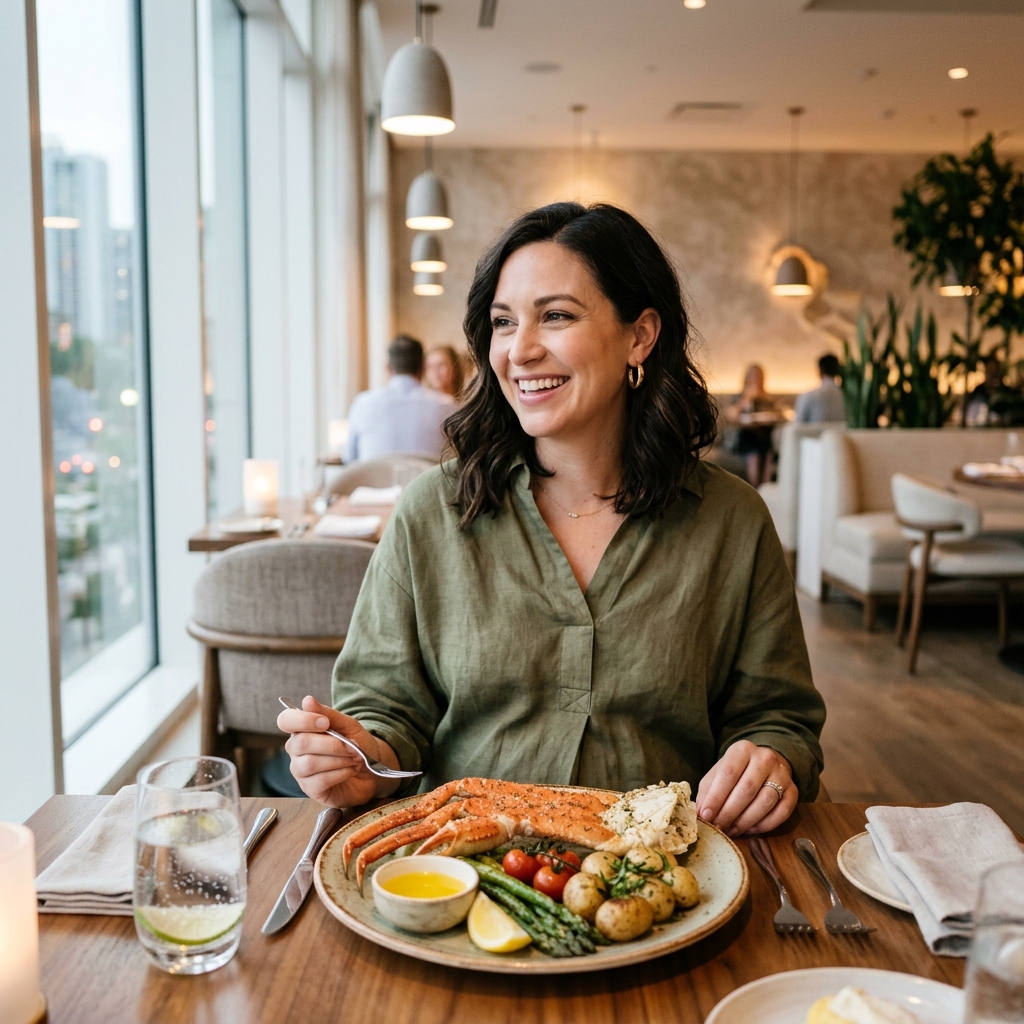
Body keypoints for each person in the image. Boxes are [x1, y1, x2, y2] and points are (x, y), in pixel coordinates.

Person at [280, 202, 825, 840]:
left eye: (557, 316)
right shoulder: (433, 511)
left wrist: (771, 759)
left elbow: (779, 717)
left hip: (665, 879)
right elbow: (386, 707)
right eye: (503, 322)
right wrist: (362, 760)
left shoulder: (732, 522)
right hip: (467, 877)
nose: (521, 349)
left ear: (639, 336)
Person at [342, 336, 450, 462]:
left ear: (387, 367)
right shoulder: (447, 406)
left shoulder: (362, 403)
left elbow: (349, 458)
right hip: (429, 481)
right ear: (423, 367)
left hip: (375, 481)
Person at [723, 364, 782, 487]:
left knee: (769, 454)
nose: (756, 379)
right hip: (746, 439)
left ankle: (764, 493)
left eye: (759, 376)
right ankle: (755, 491)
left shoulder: (768, 399)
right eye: (754, 376)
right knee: (754, 456)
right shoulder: (740, 397)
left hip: (764, 439)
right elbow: (730, 415)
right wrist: (746, 400)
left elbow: (779, 414)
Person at [795, 353, 845, 424]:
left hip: (812, 435)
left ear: (820, 370)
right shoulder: (848, 397)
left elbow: (799, 423)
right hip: (841, 435)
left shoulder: (808, 395)